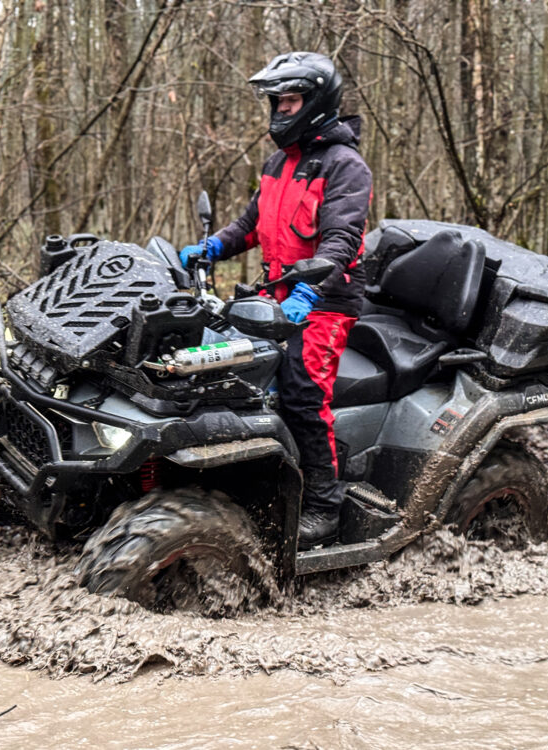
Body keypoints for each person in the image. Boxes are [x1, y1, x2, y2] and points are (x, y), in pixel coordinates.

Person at [180, 51, 373, 549]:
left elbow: (341, 239)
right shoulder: (277, 163)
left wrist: (311, 290)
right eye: (277, 101)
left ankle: (325, 505)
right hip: (274, 297)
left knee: (302, 392)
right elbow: (250, 225)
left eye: (290, 101)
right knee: (229, 379)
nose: (281, 110)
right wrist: (212, 248)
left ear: (316, 102)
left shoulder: (345, 166)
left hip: (325, 301)